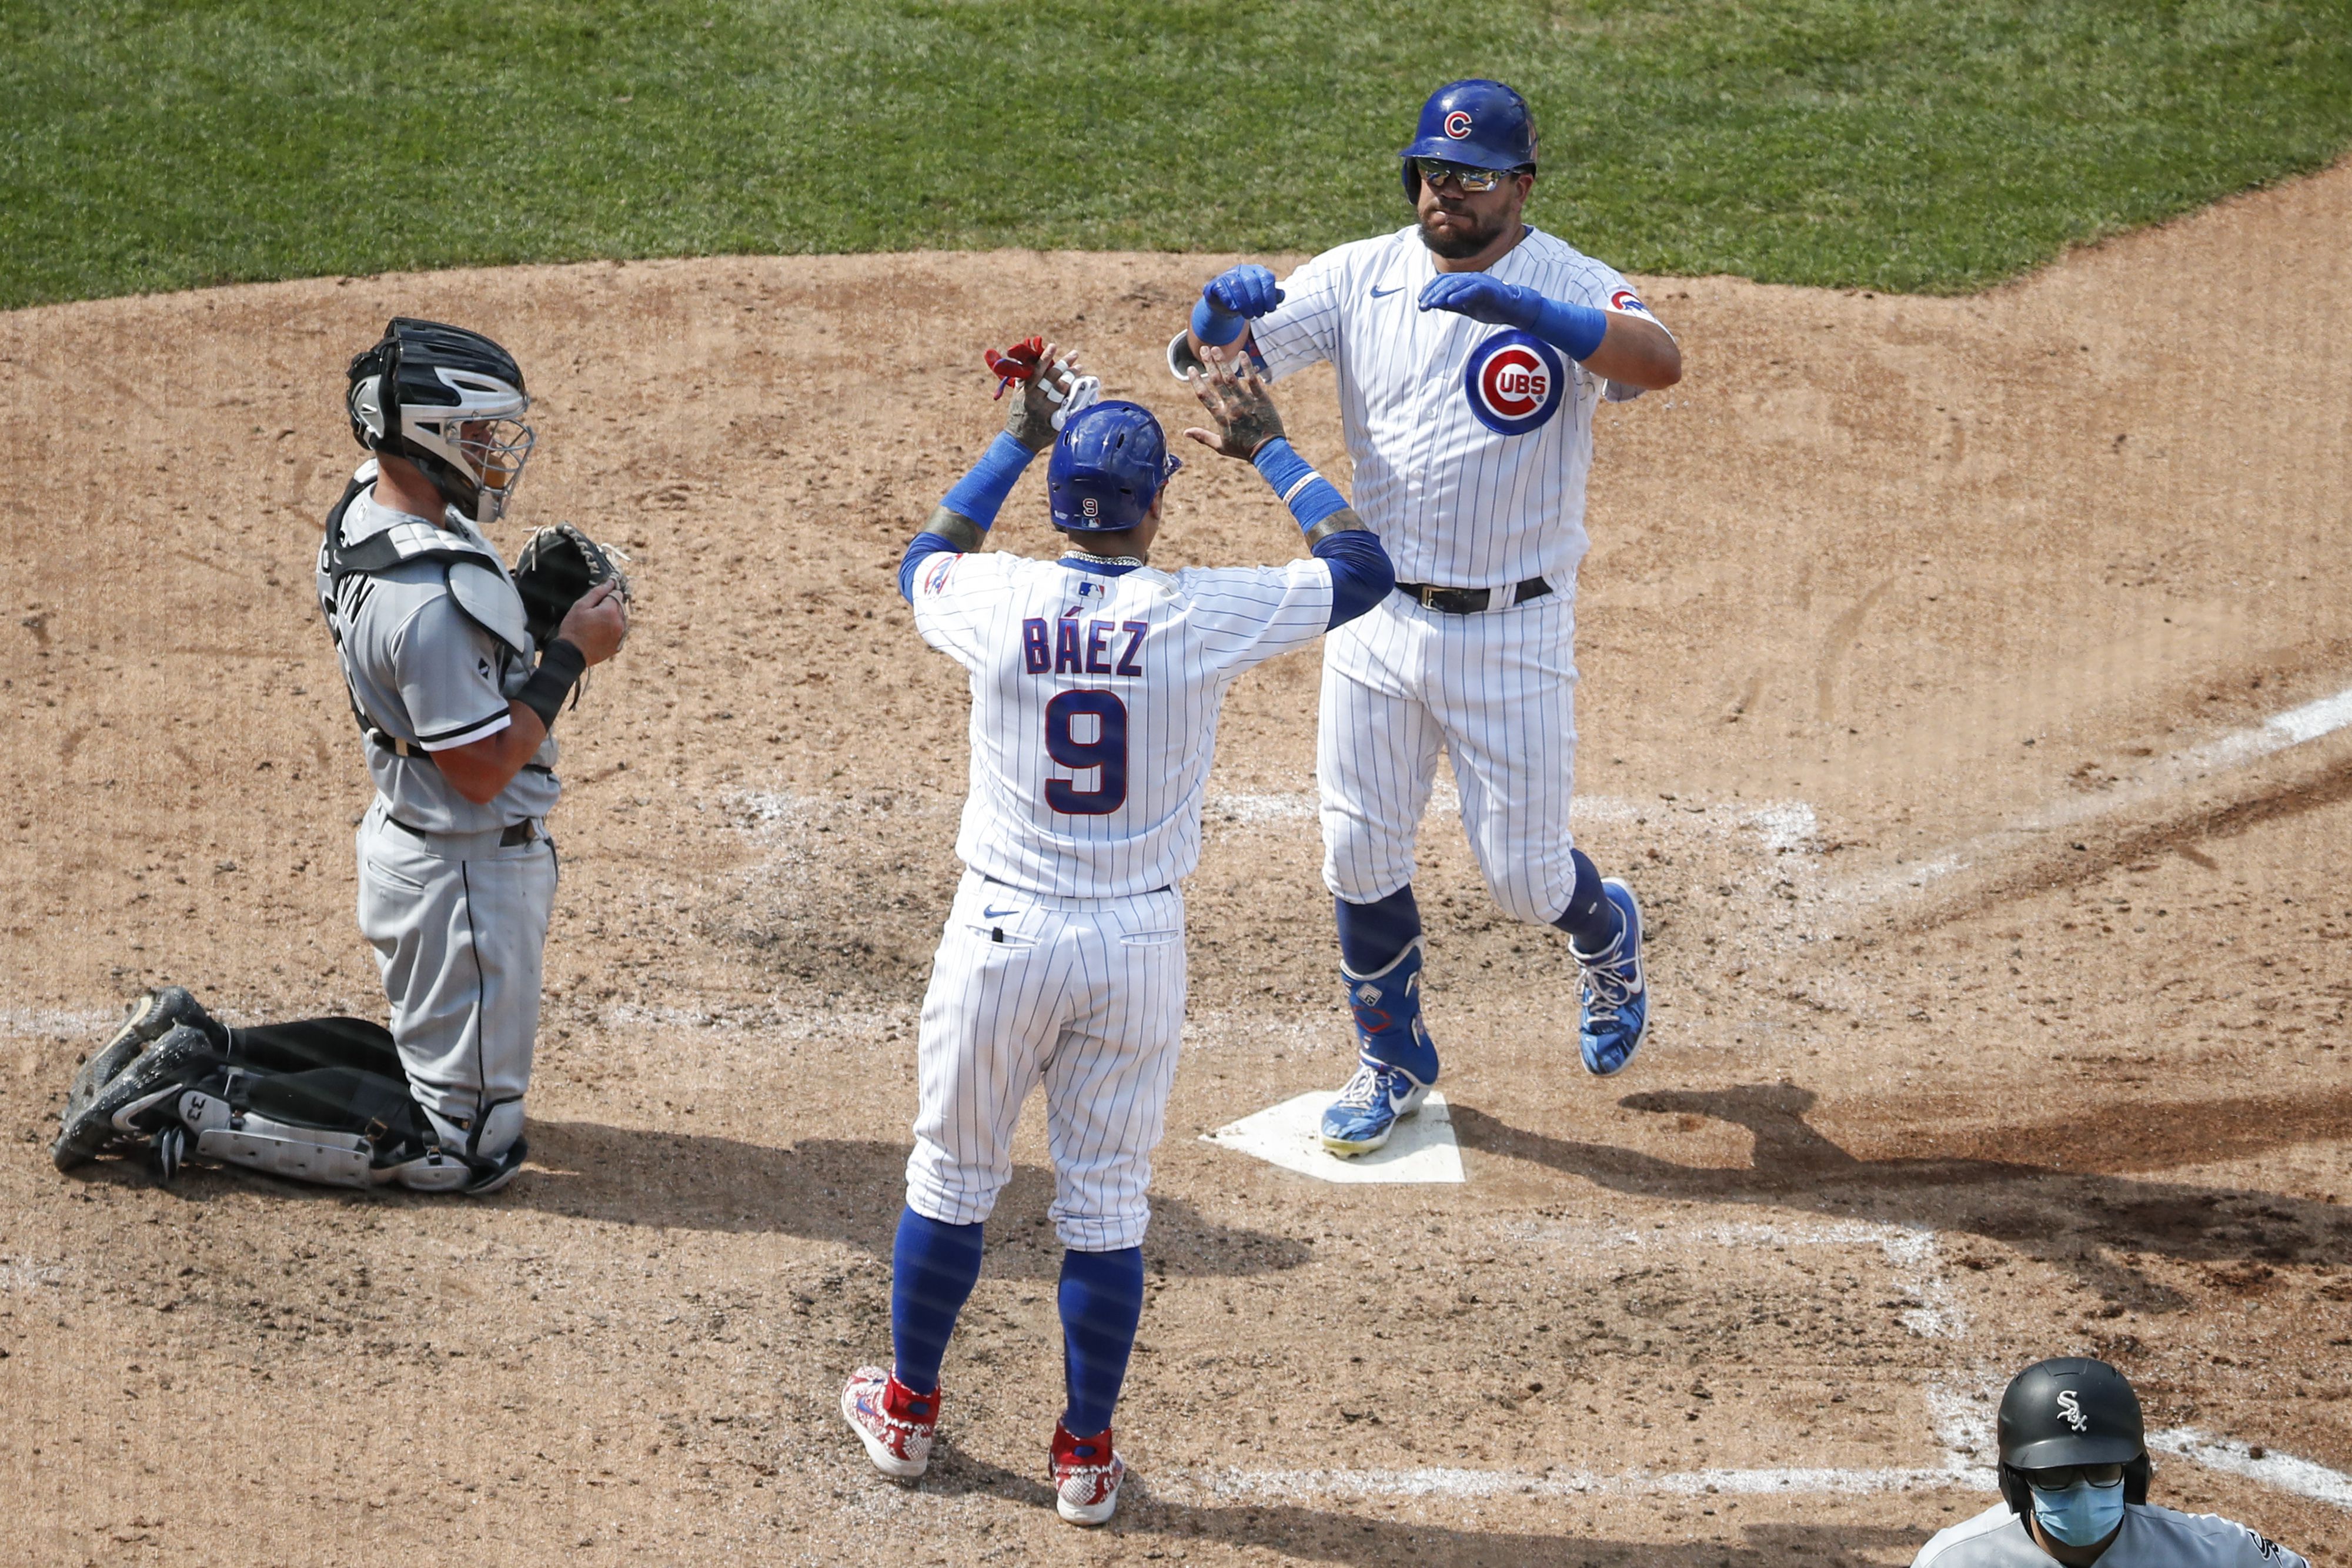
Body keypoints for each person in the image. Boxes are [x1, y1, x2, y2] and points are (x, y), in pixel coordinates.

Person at [838, 345, 1394, 1526]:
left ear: (1055, 506)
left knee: (951, 1180)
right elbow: (1358, 568)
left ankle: (905, 1408)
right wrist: (1267, 447)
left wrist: (1018, 435)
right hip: (1134, 948)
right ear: (1159, 502)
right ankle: (1084, 1456)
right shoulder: (1196, 613)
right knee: (1103, 1210)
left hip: (998, 930)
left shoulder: (990, 602)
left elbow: (923, 557)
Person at [1171, 78, 1683, 1156]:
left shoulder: (1572, 283)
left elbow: (1660, 363)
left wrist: (1535, 315)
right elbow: (1229, 371)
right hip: (1378, 614)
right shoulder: (1362, 274)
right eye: (1432, 171)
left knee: (1526, 878)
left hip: (1514, 630)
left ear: (1522, 185)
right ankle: (1392, 1056)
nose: (1445, 192)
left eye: (1472, 175)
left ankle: (1608, 932)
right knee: (1357, 851)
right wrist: (1215, 319)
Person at [51, 318, 629, 1195]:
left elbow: (437, 677)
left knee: (418, 1070)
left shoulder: (373, 505)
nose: (494, 451)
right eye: (476, 433)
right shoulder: (430, 607)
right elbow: (480, 767)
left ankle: (203, 1041)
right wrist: (568, 653)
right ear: (428, 436)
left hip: (424, 844)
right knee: (461, 1147)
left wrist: (512, 612)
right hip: (463, 867)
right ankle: (187, 1097)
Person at [1914, 1357, 2309, 1566]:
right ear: (2018, 1482)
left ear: (2134, 1472)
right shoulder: (1956, 1560)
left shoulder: (2215, 1553)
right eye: (2057, 1474)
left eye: (2102, 1469)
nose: (2082, 1488)